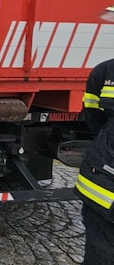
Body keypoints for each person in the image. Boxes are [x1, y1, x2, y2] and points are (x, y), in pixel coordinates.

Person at [75, 57, 114, 263]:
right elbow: (93, 115)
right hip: (105, 189)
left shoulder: (105, 71)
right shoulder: (104, 71)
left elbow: (94, 119)